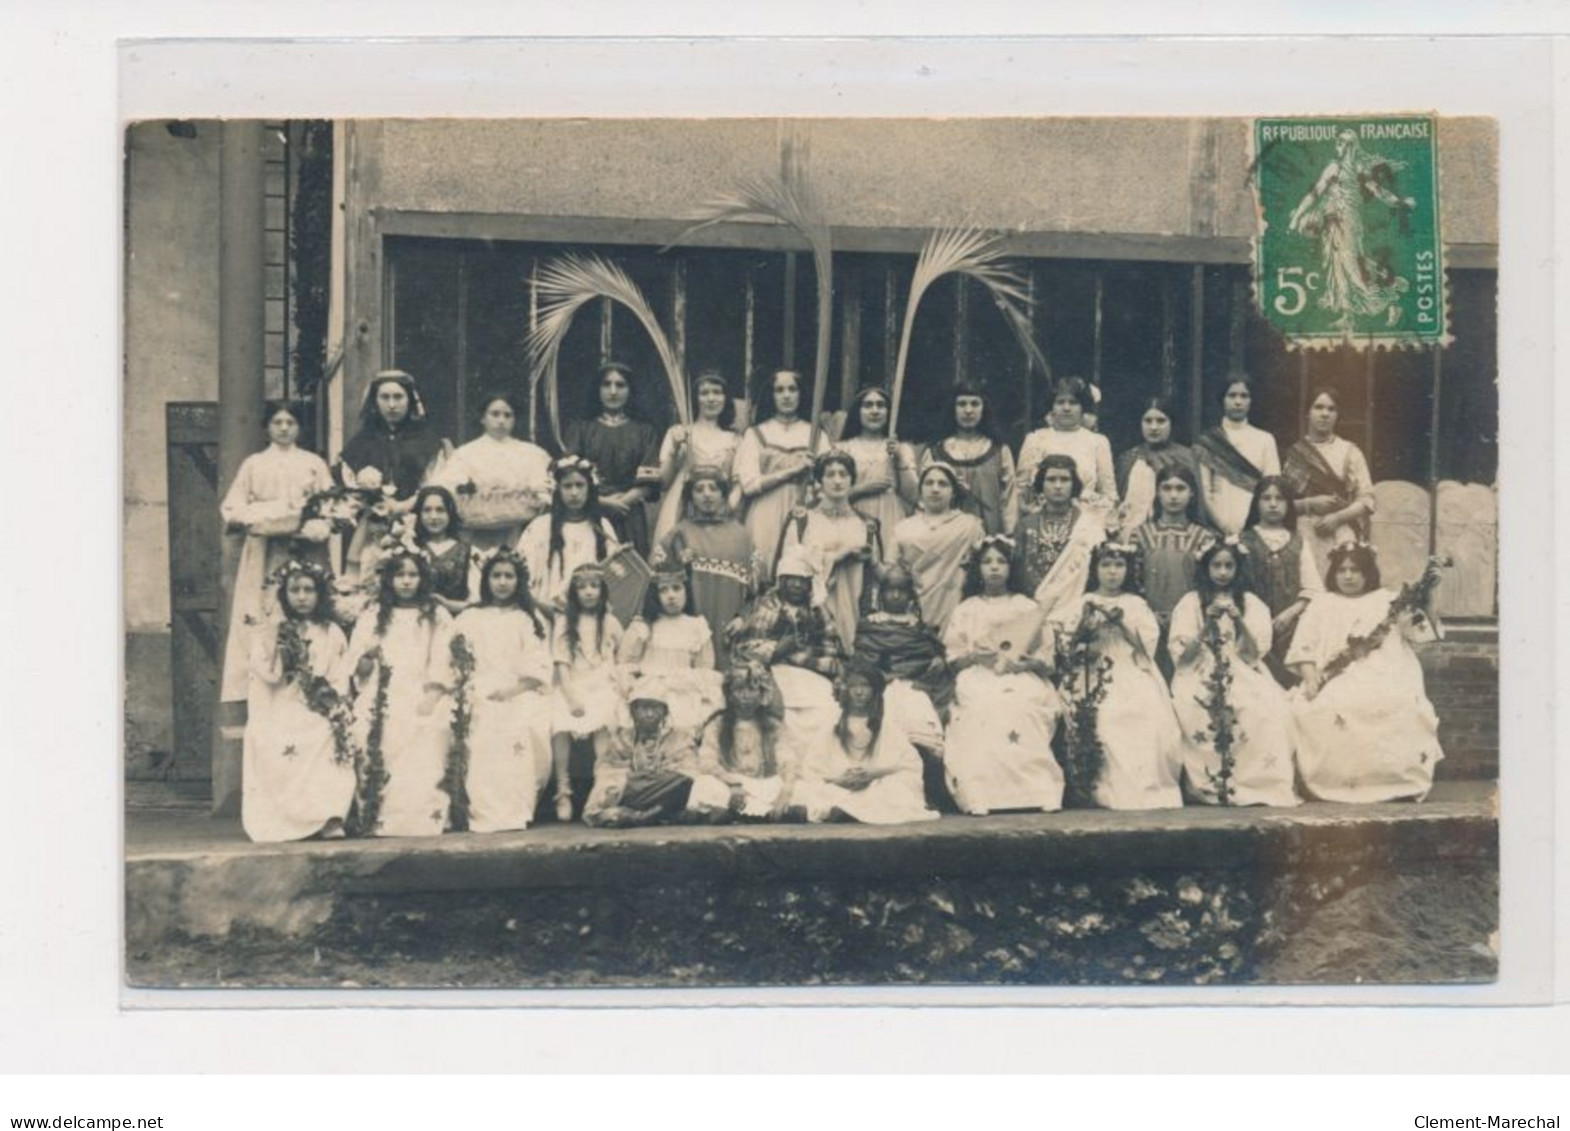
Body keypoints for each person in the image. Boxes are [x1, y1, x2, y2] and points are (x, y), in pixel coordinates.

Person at [1287, 543, 1443, 803]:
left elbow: (1419, 632)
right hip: (1336, 676)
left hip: (1387, 672)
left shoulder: (1387, 600)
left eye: (1355, 570)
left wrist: (1431, 596)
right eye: (1342, 570)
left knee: (1397, 704)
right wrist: (1310, 677)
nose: (1348, 576)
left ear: (1368, 573)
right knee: (1330, 706)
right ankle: (1336, 781)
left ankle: (1397, 781)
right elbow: (1304, 646)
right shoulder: (1321, 604)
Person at [1046, 542, 1183, 810]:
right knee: (1105, 715)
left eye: (1119, 566)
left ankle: (1144, 787)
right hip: (1091, 668)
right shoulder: (1083, 602)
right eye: (1106, 565)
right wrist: (1085, 628)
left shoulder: (1135, 603)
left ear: (1128, 570)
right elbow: (1066, 647)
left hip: (1128, 666)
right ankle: (1098, 789)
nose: (1112, 573)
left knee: (1146, 712)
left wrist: (1120, 623)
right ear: (1095, 569)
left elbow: (1146, 648)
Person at [218, 400, 334, 705]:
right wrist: (261, 517)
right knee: (264, 609)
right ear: (267, 427)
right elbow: (233, 507)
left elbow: (331, 506)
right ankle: (263, 683)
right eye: (277, 422)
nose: (284, 428)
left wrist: (317, 523)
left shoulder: (313, 463)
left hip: (305, 549)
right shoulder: (254, 464)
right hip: (265, 551)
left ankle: (309, 684)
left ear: (299, 427)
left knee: (306, 603)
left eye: (290, 423)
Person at [1167, 540, 1299, 808]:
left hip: (1240, 667)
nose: (1223, 572)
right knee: (1194, 705)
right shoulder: (1191, 602)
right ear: (1206, 569)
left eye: (1229, 566)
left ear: (1238, 570)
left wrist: (1239, 620)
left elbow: (1253, 654)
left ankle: (1255, 782)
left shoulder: (1251, 603)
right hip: (1199, 669)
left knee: (1265, 708)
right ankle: (1212, 783)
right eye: (1216, 565)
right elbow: (1184, 657)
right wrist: (1207, 625)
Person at [942, 535, 1066, 815]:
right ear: (978, 569)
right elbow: (954, 657)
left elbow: (1047, 659)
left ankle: (1038, 789)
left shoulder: (1025, 606)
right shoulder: (967, 609)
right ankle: (981, 794)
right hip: (979, 675)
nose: (994, 568)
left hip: (1019, 675)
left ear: (1012, 568)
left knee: (1020, 704)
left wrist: (1025, 664)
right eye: (987, 562)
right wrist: (976, 657)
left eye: (1001, 562)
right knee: (982, 706)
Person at [343, 549, 457, 837]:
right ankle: (378, 814)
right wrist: (367, 659)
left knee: (427, 727)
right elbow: (360, 665)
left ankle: (421, 815)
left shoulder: (436, 614)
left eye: (413, 575)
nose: (406, 581)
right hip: (382, 688)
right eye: (400, 575)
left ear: (423, 578)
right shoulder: (373, 614)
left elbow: (444, 658)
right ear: (390, 579)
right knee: (368, 729)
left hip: (425, 688)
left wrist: (432, 695)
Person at [241, 559, 356, 842]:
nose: (302, 597)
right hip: (281, 703)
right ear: (285, 594)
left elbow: (341, 674)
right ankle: (285, 816)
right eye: (295, 590)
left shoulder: (331, 631)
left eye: (309, 590)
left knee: (326, 733)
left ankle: (328, 816)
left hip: (321, 705)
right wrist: (274, 640)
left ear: (320, 594)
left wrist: (334, 704)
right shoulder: (273, 630)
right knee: (277, 736)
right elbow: (268, 675)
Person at [451, 548, 553, 833]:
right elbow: (455, 661)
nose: (503, 582)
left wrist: (511, 691)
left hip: (519, 689)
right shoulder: (470, 618)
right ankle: (482, 807)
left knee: (516, 723)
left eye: (509, 576)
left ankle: (514, 807)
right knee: (480, 720)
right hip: (476, 686)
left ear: (519, 581)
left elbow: (538, 670)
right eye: (496, 576)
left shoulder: (528, 619)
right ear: (486, 580)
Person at [1288, 127, 1417, 334]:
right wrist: (1296, 218)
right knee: (1337, 266)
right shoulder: (1332, 167)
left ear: (1351, 146)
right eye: (1337, 141)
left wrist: (1400, 203)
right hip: (1331, 222)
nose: (1337, 146)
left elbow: (1379, 191)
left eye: (1342, 142)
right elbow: (1315, 194)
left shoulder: (1359, 168)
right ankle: (1348, 317)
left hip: (1349, 222)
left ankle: (1390, 303)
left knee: (1352, 266)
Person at [727, 547, 844, 772]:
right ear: (781, 581)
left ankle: (815, 769)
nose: (797, 586)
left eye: (802, 581)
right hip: (775, 670)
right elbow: (747, 647)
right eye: (791, 580)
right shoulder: (767, 606)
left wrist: (806, 657)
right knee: (783, 714)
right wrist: (779, 649)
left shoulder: (817, 610)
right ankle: (784, 768)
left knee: (827, 710)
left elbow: (830, 647)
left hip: (812, 672)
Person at [340, 370, 450, 584]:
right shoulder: (361, 442)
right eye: (385, 397)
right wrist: (375, 502)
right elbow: (349, 486)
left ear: (410, 400)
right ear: (375, 401)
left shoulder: (427, 440)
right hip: (371, 528)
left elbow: (434, 483)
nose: (392, 405)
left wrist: (405, 506)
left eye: (398, 397)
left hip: (415, 521)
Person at [794, 663, 939, 825]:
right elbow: (813, 767)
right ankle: (844, 809)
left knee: (896, 787)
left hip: (874, 783)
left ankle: (845, 811)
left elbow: (909, 764)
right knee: (805, 788)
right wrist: (838, 780)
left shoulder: (887, 725)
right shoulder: (832, 724)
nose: (859, 692)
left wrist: (873, 773)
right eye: (853, 686)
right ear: (846, 690)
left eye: (864, 686)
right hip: (840, 783)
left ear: (875, 691)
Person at [653, 466, 760, 668]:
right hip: (686, 631)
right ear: (690, 496)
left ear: (723, 494)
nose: (707, 494)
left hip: (728, 628)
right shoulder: (678, 535)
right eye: (699, 489)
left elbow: (756, 590)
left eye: (714, 488)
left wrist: (742, 618)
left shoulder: (742, 537)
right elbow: (656, 585)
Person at [582, 680, 729, 828]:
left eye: (654, 708)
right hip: (633, 791)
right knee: (615, 788)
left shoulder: (679, 737)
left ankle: (647, 815)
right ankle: (658, 814)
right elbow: (607, 772)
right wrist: (639, 778)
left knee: (685, 782)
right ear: (633, 711)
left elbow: (687, 770)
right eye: (644, 708)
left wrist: (659, 778)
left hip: (667, 790)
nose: (649, 714)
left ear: (664, 711)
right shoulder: (622, 740)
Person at [776, 451, 881, 650]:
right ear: (819, 481)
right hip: (811, 609)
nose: (837, 480)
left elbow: (874, 577)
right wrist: (840, 555)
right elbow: (789, 569)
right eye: (830, 474)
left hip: (853, 603)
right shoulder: (802, 520)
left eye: (843, 474)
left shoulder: (866, 524)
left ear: (852, 480)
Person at [548, 563, 626, 822]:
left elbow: (621, 657)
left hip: (603, 683)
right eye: (582, 587)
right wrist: (571, 697)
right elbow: (561, 664)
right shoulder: (564, 622)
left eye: (594, 586)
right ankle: (563, 789)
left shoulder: (610, 622)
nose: (589, 592)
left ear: (602, 591)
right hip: (573, 683)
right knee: (560, 721)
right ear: (574, 593)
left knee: (605, 720)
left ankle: (601, 786)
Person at [733, 368, 826, 585]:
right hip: (765, 510)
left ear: (801, 394)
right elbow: (749, 484)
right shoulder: (755, 434)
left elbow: (827, 479)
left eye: (792, 389)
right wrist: (793, 470)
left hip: (805, 509)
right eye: (779, 390)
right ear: (771, 395)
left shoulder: (815, 434)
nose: (786, 395)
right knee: (763, 568)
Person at [562, 361, 662, 557]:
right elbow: (569, 475)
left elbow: (649, 481)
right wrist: (604, 502)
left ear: (630, 390)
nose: (613, 391)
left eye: (620, 385)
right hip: (591, 510)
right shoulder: (581, 429)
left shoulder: (644, 431)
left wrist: (622, 502)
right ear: (598, 389)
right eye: (607, 384)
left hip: (629, 514)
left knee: (629, 574)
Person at [433, 392, 553, 554]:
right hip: (474, 533)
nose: (501, 420)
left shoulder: (533, 454)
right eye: (495, 414)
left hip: (519, 532)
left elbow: (543, 491)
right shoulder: (465, 453)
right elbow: (447, 487)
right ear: (483, 418)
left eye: (507, 415)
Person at [1281, 388, 1376, 580]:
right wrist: (1312, 503)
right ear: (1307, 412)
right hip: (1303, 531)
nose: (1325, 414)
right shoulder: (1294, 455)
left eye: (1331, 409)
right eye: (1318, 407)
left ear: (1337, 415)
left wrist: (1337, 518)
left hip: (1341, 531)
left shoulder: (1350, 451)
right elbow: (1281, 504)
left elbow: (1367, 500)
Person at [617, 565, 724, 731]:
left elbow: (705, 668)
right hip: (650, 691)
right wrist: (632, 685)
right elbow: (625, 663)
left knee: (684, 728)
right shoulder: (644, 626)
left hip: (684, 689)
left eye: (676, 589)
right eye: (663, 590)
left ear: (686, 592)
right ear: (655, 595)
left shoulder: (697, 626)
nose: (671, 596)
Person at [1239, 476, 1323, 686]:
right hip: (1251, 625)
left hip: (1290, 626)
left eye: (1280, 499)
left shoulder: (1298, 542)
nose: (1273, 504)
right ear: (1256, 503)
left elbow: (1313, 588)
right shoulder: (1241, 541)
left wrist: (1290, 613)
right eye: (1266, 498)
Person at [690, 661, 797, 821]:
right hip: (729, 785)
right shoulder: (718, 724)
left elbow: (787, 759)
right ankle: (757, 814)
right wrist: (732, 784)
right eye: (739, 690)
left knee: (801, 789)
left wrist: (786, 791)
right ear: (730, 694)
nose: (745, 696)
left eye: (751, 689)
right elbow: (707, 760)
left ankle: (753, 812)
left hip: (764, 786)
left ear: (761, 694)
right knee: (704, 784)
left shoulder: (773, 725)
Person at [515, 454, 620, 618]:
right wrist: (542, 607)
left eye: (580, 485)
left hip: (591, 613)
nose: (574, 493)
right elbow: (521, 576)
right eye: (567, 486)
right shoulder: (540, 527)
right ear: (557, 489)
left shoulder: (602, 527)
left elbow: (615, 576)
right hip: (546, 612)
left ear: (589, 488)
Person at [890, 462, 983, 635]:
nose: (935, 489)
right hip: (913, 612)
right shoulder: (903, 528)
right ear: (920, 489)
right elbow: (890, 573)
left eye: (943, 484)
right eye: (929, 483)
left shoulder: (970, 526)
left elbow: (979, 570)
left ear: (953, 491)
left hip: (954, 608)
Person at [650, 369, 742, 547]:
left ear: (725, 398)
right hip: (681, 505)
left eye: (717, 392)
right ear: (696, 399)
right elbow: (663, 481)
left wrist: (727, 508)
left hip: (719, 506)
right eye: (704, 393)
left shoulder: (735, 439)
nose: (711, 399)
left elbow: (739, 483)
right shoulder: (678, 432)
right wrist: (676, 448)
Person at [1012, 455, 1107, 620]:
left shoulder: (1088, 524)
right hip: (1033, 610)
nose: (1058, 486)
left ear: (1074, 484)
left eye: (1064, 479)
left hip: (1075, 610)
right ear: (1041, 483)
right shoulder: (1026, 525)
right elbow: (1017, 570)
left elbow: (1096, 572)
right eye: (1051, 479)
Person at [1131, 465, 1219, 636]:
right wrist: (1148, 614)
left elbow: (1207, 584)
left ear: (1192, 493)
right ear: (1157, 492)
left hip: (1190, 621)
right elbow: (1133, 581)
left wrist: (1185, 614)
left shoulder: (1204, 538)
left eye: (1180, 488)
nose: (1173, 495)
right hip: (1146, 620)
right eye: (1167, 488)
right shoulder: (1140, 535)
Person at [922, 383, 1017, 536]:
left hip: (990, 534)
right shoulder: (936, 452)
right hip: (946, 535)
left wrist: (1008, 534)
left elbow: (1009, 497)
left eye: (974, 404)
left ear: (984, 408)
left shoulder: (998, 451)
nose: (968, 410)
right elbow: (924, 497)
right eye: (962, 404)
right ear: (953, 409)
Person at [1018, 376, 1118, 521]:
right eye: (1060, 402)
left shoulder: (1097, 442)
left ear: (1083, 407)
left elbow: (1109, 494)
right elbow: (1021, 489)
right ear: (1052, 407)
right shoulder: (1035, 439)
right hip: (1042, 520)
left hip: (1086, 522)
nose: (1066, 408)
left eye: (1073, 403)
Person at [1193, 374, 1281, 536]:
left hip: (1256, 528)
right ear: (1223, 399)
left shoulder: (1265, 439)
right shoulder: (1208, 442)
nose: (1238, 402)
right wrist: (1224, 527)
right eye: (1232, 395)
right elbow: (1204, 491)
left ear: (1251, 400)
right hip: (1217, 528)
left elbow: (1272, 487)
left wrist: (1252, 527)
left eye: (1244, 396)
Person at [835, 385, 919, 536]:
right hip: (853, 515)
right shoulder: (843, 449)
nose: (875, 411)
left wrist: (900, 457)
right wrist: (861, 489)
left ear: (889, 412)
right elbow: (830, 495)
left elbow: (913, 496)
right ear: (857, 412)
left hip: (891, 517)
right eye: (868, 405)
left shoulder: (901, 449)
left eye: (880, 405)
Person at [1115, 395, 1198, 538]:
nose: (1154, 427)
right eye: (1148, 421)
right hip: (1131, 533)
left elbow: (1195, 504)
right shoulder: (1128, 458)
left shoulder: (1186, 457)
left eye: (1161, 421)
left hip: (1175, 532)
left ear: (1171, 423)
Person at [410, 486, 472, 617]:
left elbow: (478, 603)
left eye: (440, 510)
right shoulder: (409, 547)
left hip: (454, 621)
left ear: (450, 514)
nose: (433, 516)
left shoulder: (466, 551)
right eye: (427, 510)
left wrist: (447, 604)